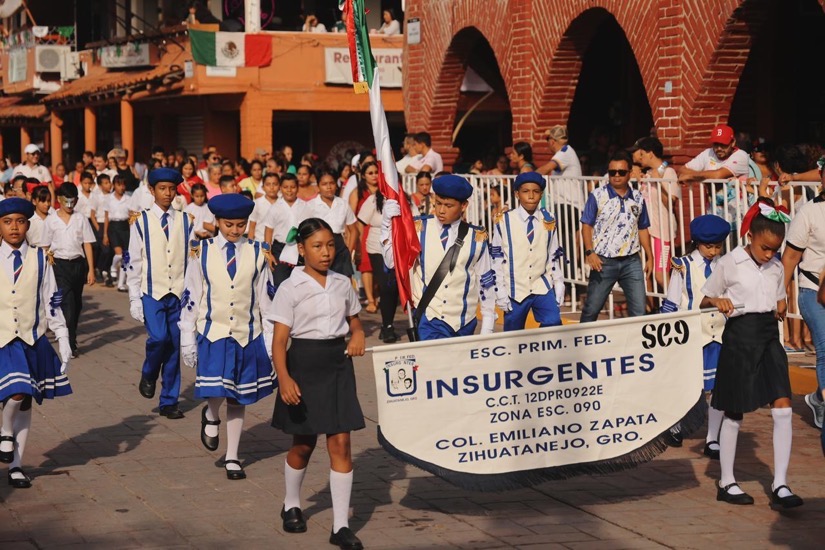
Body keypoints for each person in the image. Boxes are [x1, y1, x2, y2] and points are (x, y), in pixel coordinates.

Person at [269, 218, 366, 550]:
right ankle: (291, 503)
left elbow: (355, 322)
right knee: (303, 444)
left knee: (341, 444)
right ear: (301, 249)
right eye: (317, 246)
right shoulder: (290, 287)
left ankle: (341, 526)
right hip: (303, 366)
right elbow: (279, 341)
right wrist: (284, 378)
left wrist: (358, 334)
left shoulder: (342, 282)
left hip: (337, 365)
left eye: (330, 245)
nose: (325, 253)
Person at [701, 201, 803, 510]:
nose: (770, 254)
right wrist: (717, 301)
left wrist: (781, 304)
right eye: (765, 248)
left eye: (775, 249)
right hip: (739, 337)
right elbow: (705, 298)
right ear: (750, 237)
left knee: (783, 408)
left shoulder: (776, 268)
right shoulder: (729, 262)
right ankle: (726, 481)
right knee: (734, 410)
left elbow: (779, 297)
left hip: (769, 336)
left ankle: (780, 483)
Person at [179, 194, 276, 481]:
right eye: (228, 224)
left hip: (247, 333)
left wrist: (271, 340)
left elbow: (266, 300)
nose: (235, 230)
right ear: (217, 222)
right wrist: (187, 336)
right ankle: (211, 414)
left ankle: (233, 456)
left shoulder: (258, 252)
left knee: (238, 396)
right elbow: (191, 294)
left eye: (241, 225)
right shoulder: (201, 251)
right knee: (217, 387)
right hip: (213, 331)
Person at [0, 198, 72, 489]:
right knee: (17, 391)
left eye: (20, 221)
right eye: (7, 222)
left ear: (28, 225)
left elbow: (51, 300)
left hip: (31, 338)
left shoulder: (41, 259)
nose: (14, 227)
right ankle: (5, 431)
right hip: (3, 339)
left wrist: (63, 336)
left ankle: (16, 465)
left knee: (25, 399)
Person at [381, 174, 497, 340]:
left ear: (464, 206)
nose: (441, 210)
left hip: (464, 322)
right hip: (429, 319)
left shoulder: (477, 237)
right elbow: (392, 262)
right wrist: (386, 224)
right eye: (438, 203)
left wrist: (488, 325)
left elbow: (485, 281)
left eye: (449, 205)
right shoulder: (417, 228)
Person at [126, 168, 193, 420]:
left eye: (172, 189)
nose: (167, 193)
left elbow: (191, 260)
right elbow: (134, 260)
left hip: (178, 292)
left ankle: (169, 401)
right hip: (152, 290)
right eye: (162, 189)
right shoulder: (141, 221)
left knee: (174, 346)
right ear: (151, 190)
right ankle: (149, 372)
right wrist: (134, 296)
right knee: (158, 338)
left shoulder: (186, 221)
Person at [660, 214, 730, 454]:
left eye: (717, 246)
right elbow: (671, 301)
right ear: (697, 243)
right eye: (708, 246)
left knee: (718, 388)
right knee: (686, 385)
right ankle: (675, 426)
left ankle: (712, 438)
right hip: (691, 336)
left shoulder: (724, 265)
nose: (713, 251)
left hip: (718, 335)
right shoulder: (683, 265)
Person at [579, 151, 654, 322]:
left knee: (639, 312)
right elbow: (586, 225)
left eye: (621, 172)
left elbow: (642, 228)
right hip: (603, 262)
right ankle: (582, 338)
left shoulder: (638, 197)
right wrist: (590, 252)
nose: (617, 176)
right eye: (612, 172)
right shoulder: (597, 195)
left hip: (631, 261)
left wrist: (650, 256)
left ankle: (636, 340)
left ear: (630, 173)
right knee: (592, 309)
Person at [491, 171, 565, 331]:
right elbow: (497, 257)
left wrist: (559, 281)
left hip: (541, 285)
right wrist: (499, 289)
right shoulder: (504, 220)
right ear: (517, 194)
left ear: (541, 194)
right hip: (514, 289)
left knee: (553, 323)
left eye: (536, 191)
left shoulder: (548, 219)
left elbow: (553, 253)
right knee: (513, 335)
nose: (531, 196)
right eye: (525, 191)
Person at [782, 164, 825, 430]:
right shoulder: (809, 212)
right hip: (813, 292)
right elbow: (790, 257)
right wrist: (779, 295)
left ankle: (818, 399)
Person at [41, 184, 96, 357]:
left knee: (77, 304)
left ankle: (71, 335)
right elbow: (45, 246)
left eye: (73, 201)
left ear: (77, 201)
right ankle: (69, 342)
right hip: (59, 265)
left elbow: (87, 244)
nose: (69, 205)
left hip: (78, 265)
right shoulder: (51, 220)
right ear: (59, 199)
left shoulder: (81, 219)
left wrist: (91, 270)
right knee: (68, 303)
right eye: (66, 201)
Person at [633, 136, 681, 301]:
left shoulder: (668, 172)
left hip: (662, 231)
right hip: (647, 231)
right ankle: (651, 309)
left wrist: (659, 182)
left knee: (660, 275)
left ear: (650, 153)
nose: (640, 158)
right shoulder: (647, 174)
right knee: (646, 273)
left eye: (642, 154)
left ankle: (678, 305)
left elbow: (670, 203)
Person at [357, 186, 399, 343]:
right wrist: (358, 247)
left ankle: (388, 324)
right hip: (377, 247)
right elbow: (360, 222)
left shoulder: (404, 199)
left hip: (397, 248)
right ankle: (387, 325)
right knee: (386, 285)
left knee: (394, 287)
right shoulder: (374, 199)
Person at [262, 173, 310, 288]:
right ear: (280, 188)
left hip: (299, 248)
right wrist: (268, 253)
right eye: (285, 187)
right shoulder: (275, 207)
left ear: (297, 188)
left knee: (300, 283)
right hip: (280, 249)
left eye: (292, 187)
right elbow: (268, 231)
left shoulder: (305, 206)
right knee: (280, 283)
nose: (289, 190)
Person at [310, 171, 357, 277]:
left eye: (332, 183)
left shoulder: (343, 203)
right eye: (324, 184)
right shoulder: (311, 206)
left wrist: (349, 251)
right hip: (320, 245)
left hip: (339, 245)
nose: (329, 187)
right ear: (318, 187)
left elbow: (353, 230)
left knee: (344, 279)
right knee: (323, 278)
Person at [678, 124, 750, 183]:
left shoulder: (741, 155)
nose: (719, 148)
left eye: (723, 144)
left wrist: (690, 176)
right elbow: (682, 170)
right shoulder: (708, 152)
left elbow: (718, 175)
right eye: (716, 144)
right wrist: (699, 176)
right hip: (712, 197)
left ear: (733, 142)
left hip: (736, 197)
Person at [103, 175, 132, 292]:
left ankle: (121, 284)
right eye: (119, 185)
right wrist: (105, 234)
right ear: (114, 185)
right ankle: (113, 267)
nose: (121, 187)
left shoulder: (128, 198)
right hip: (114, 227)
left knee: (126, 257)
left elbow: (130, 216)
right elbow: (106, 217)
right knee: (119, 254)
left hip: (125, 227)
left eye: (123, 185)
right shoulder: (109, 199)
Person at [247, 173, 280, 240]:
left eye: (275, 184)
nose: (271, 187)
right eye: (268, 184)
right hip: (260, 241)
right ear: (263, 187)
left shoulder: (283, 203)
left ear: (280, 186)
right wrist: (250, 244)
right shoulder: (257, 203)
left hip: (278, 242)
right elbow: (252, 226)